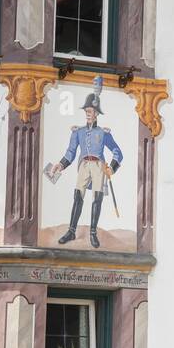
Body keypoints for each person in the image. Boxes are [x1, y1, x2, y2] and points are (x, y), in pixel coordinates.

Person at [45, 77, 122, 249]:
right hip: (83, 166)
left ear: (96, 114)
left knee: (97, 198)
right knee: (78, 197)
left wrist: (112, 167)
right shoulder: (77, 132)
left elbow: (118, 152)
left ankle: (93, 234)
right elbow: (71, 152)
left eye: (91, 110)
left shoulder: (103, 133)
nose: (88, 113)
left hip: (98, 167)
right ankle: (71, 231)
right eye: (86, 110)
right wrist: (61, 164)